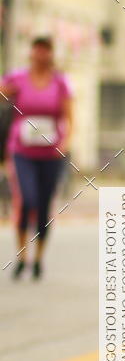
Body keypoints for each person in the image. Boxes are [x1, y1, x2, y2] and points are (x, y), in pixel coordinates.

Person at [1, 36, 73, 278]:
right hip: (22, 150)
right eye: (37, 50)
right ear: (31, 53)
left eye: (46, 51)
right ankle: (22, 255)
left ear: (51, 54)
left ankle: (38, 258)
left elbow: (70, 117)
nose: (41, 55)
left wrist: (65, 142)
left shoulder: (61, 82)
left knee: (43, 205)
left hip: (51, 153)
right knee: (27, 199)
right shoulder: (17, 78)